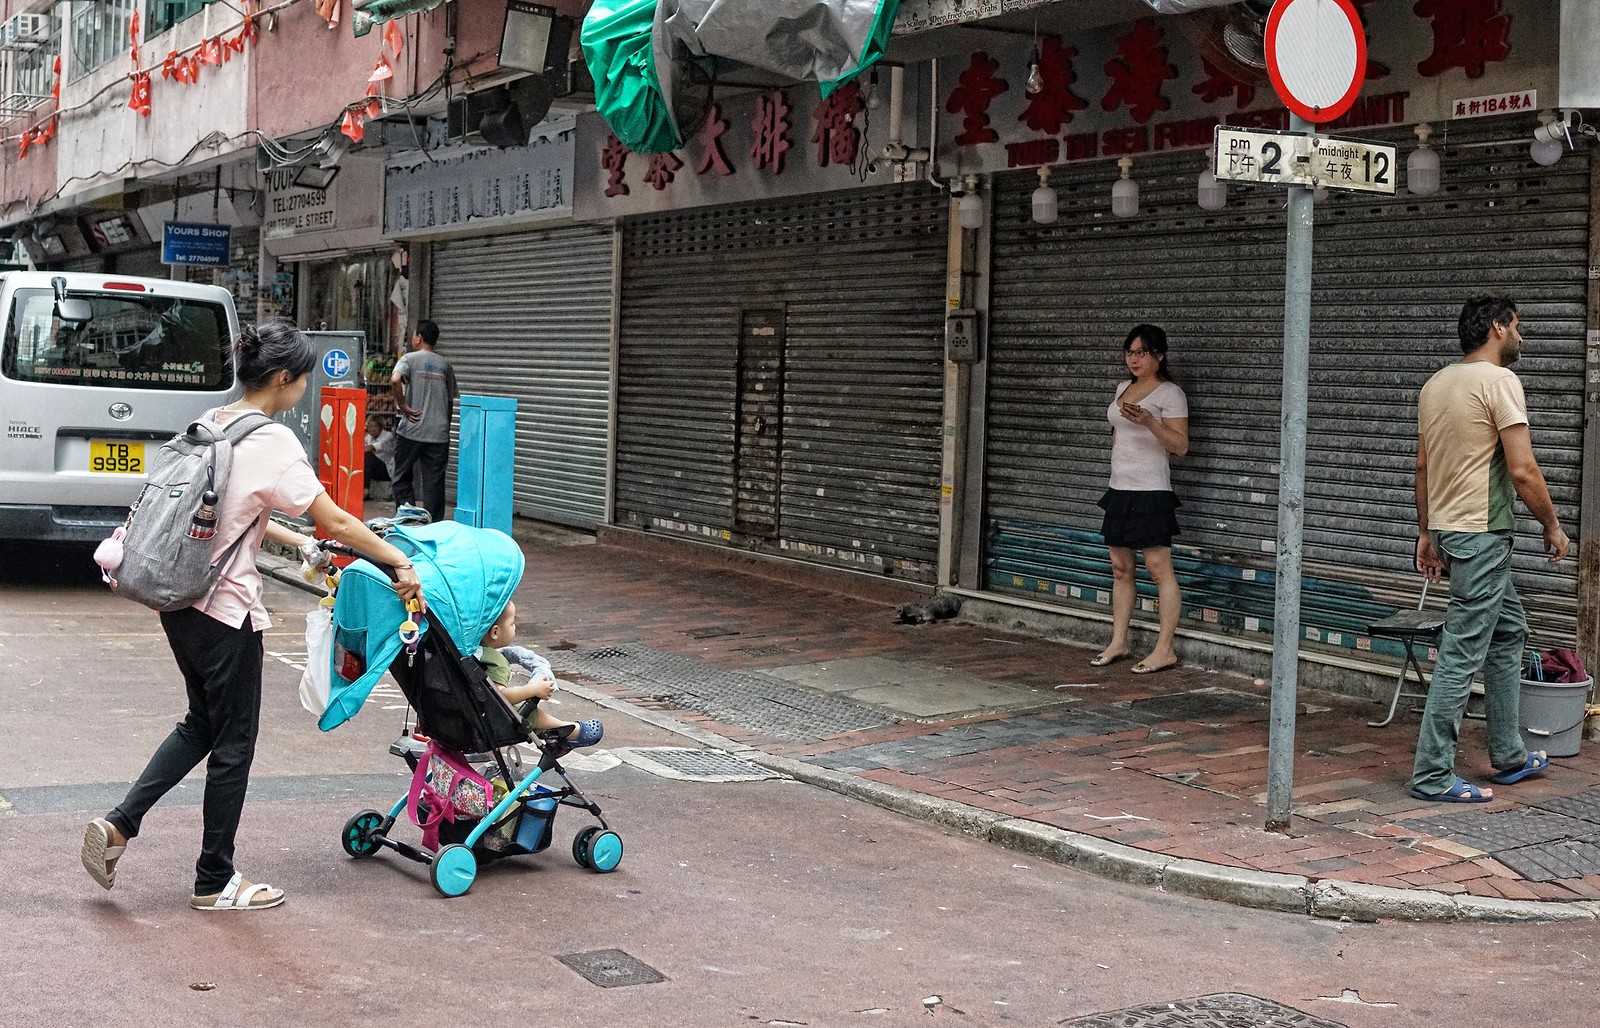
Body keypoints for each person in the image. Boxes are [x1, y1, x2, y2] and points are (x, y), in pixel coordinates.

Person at [81, 320, 426, 912]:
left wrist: (298, 549)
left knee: (202, 725)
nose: (303, 391)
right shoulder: (269, 441)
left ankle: (118, 826)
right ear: (286, 380)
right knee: (234, 743)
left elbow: (241, 516)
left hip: (180, 602)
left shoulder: (213, 423)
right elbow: (337, 520)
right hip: (226, 613)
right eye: (302, 381)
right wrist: (398, 560)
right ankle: (215, 879)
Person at [1410, 296, 1564, 803]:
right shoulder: (1500, 382)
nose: (1522, 336)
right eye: (1518, 326)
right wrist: (1552, 524)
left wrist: (1426, 532)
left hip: (1454, 531)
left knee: (1509, 631)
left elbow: (1423, 468)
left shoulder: (1436, 384)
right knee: (1461, 652)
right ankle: (1432, 775)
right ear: (1498, 328)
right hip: (1482, 535)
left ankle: (1510, 754)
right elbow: (1522, 469)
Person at [1091, 324, 1190, 676]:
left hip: (1151, 491)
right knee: (1120, 568)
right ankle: (1119, 641)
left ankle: (1165, 649)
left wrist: (1149, 421)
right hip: (1120, 488)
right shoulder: (1123, 388)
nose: (1134, 358)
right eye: (1130, 352)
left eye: (1142, 352)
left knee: (1159, 569)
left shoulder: (1170, 394)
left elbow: (1180, 446)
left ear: (1159, 356)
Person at [481, 601, 604, 748]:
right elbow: (499, 697)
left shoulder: (469, 654)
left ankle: (559, 731)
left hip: (466, 716)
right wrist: (533, 689)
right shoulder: (494, 661)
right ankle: (569, 731)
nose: (515, 627)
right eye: (512, 623)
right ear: (495, 632)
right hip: (490, 720)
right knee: (526, 711)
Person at [390, 320, 457, 523]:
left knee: (401, 476)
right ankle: (434, 525)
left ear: (418, 338)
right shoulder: (445, 365)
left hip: (411, 430)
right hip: (438, 434)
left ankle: (409, 519)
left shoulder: (409, 359)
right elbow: (450, 400)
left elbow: (394, 379)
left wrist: (402, 405)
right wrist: (445, 427)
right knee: (434, 482)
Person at [363, 415, 396, 498]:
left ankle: (365, 489)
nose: (372, 429)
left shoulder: (388, 436)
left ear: (381, 427)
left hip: (386, 470)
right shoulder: (368, 437)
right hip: (372, 469)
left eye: (375, 426)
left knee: (368, 455)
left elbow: (370, 448)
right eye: (370, 426)